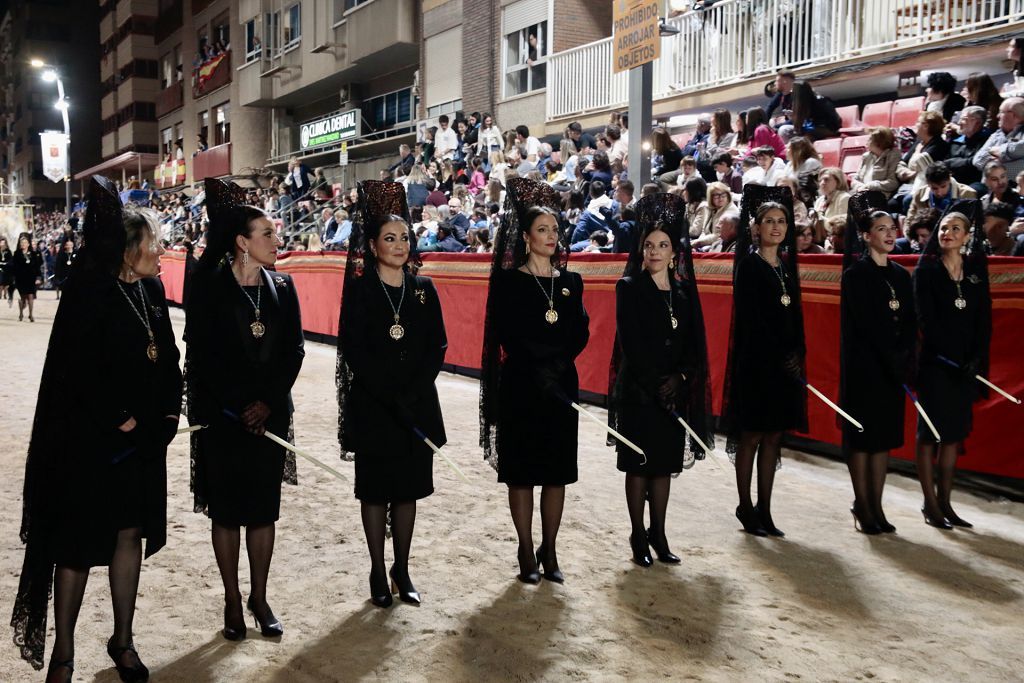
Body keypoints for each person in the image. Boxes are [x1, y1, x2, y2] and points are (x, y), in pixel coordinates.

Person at [11, 177, 182, 682]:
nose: (159, 251)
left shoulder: (151, 290)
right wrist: (121, 419)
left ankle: (122, 640)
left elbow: (169, 359)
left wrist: (168, 415)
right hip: (93, 443)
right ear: (127, 251)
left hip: (145, 442)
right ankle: (63, 652)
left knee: (130, 534)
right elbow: (75, 370)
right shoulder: (89, 293)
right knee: (80, 546)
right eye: (152, 244)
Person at [185, 178, 305, 641]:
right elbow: (200, 355)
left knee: (263, 511)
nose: (277, 241)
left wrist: (267, 403)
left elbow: (293, 351)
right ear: (242, 242)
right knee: (226, 511)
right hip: (224, 418)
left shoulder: (283, 286)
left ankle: (259, 596)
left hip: (269, 417)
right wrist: (238, 406)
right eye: (268, 234)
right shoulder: (211, 286)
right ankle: (232, 600)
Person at [337, 181, 447, 608]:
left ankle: (402, 567)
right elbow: (354, 348)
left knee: (407, 490)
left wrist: (412, 391)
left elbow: (436, 345)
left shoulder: (424, 288)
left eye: (404, 237)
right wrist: (387, 393)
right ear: (371, 244)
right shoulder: (361, 290)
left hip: (416, 405)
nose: (399, 245)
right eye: (389, 238)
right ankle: (378, 570)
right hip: (374, 406)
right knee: (375, 490)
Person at [479, 177, 590, 584]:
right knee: (523, 471)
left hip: (561, 386)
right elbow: (507, 333)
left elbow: (580, 331)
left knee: (557, 471)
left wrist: (558, 365)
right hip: (523, 386)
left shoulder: (570, 281)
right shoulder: (510, 281)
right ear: (525, 236)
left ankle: (551, 547)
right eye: (542, 230)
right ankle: (526, 548)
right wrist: (539, 365)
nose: (550, 236)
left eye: (555, 230)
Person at [608, 192, 714, 566]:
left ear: (674, 251)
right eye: (649, 245)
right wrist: (657, 382)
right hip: (639, 391)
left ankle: (660, 532)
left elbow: (693, 344)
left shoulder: (684, 293)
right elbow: (632, 344)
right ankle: (638, 534)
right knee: (639, 464)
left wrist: (680, 378)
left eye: (663, 245)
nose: (655, 251)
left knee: (664, 465)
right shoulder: (629, 288)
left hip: (674, 391)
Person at [720, 185, 808, 537]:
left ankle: (766, 508)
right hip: (757, 365)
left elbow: (795, 319)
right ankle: (745, 505)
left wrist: (797, 355)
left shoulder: (786, 269)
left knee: (774, 437)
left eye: (782, 221)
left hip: (785, 367)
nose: (776, 226)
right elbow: (753, 322)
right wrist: (778, 355)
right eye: (769, 221)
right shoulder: (749, 266)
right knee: (752, 436)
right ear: (755, 228)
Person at [839, 193, 916, 535]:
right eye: (880, 228)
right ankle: (862, 504)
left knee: (883, 440)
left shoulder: (901, 274)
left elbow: (911, 322)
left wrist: (904, 358)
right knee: (862, 438)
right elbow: (867, 325)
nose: (889, 233)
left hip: (893, 370)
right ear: (866, 235)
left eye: (892, 228)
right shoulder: (857, 274)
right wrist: (889, 357)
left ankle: (878, 505)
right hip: (865, 369)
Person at [913, 200, 991, 529]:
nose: (947, 232)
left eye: (955, 229)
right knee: (930, 435)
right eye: (944, 228)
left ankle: (946, 502)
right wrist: (946, 357)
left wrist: (975, 359)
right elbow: (925, 321)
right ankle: (930, 504)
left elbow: (983, 319)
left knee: (953, 436)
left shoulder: (975, 272)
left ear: (967, 236)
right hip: (935, 365)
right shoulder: (926, 272)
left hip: (964, 368)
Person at [905, 162, 977, 227]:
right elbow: (909, 222)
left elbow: (971, 224)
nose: (939, 192)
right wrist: (912, 239)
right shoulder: (919, 195)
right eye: (934, 188)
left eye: (943, 186)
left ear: (949, 178)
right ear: (927, 183)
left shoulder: (967, 194)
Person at [972, 97, 1024, 179]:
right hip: (989, 189)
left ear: (1013, 115)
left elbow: (1022, 152)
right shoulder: (997, 134)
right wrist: (1010, 157)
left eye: (1001, 112)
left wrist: (998, 151)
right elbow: (977, 161)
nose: (997, 116)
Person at [851, 126, 902, 197]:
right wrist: (860, 187)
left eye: (870, 139)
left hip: (879, 195)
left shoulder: (893, 155)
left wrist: (871, 186)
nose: (867, 141)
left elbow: (893, 183)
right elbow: (856, 178)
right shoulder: (866, 156)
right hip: (861, 193)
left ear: (879, 142)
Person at [10, 232, 42, 322]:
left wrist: (38, 277)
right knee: (23, 297)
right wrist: (13, 278)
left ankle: (31, 315)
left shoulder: (33, 254)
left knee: (31, 296)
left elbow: (37, 267)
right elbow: (14, 267)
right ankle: (21, 313)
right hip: (20, 279)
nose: (23, 244)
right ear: (20, 245)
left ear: (28, 244)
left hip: (31, 278)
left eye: (25, 243)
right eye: (22, 243)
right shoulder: (17, 254)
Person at [0, 236, 12, 304]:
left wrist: (6, 263)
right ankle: (0, 294)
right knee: (1, 282)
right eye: (1, 243)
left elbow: (10, 259)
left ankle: (5, 294)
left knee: (6, 283)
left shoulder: (8, 251)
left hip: (7, 268)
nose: (2, 244)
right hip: (0, 268)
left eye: (4, 243)